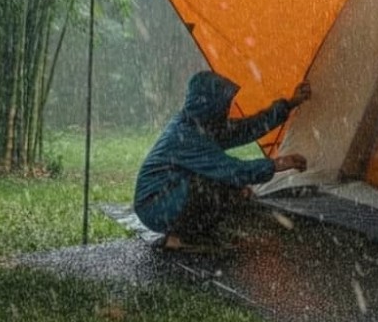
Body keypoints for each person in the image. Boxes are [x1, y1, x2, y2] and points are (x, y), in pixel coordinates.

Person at [133, 70, 311, 252]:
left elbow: (248, 128)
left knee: (226, 187)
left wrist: (290, 104)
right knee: (215, 184)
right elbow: (233, 170)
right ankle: (180, 238)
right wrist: (277, 164)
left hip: (168, 193)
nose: (228, 110)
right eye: (225, 104)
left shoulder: (201, 124)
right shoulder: (188, 136)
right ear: (210, 104)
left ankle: (193, 230)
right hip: (155, 205)